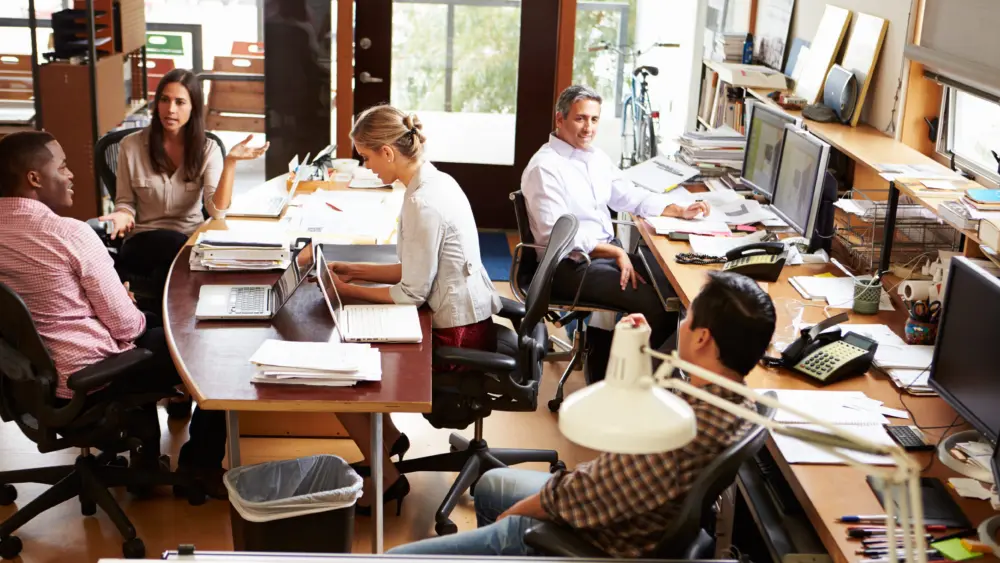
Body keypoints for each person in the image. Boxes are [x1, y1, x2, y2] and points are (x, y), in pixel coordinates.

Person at [388, 271, 777, 557]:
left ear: (704, 338)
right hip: (625, 512)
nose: (684, 325)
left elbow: (583, 495)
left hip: (599, 538)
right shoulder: (733, 400)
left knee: (396, 559)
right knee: (491, 484)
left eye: (688, 319)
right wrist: (634, 350)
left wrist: (514, 519)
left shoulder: (678, 430)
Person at [0, 131, 228, 497]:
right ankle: (199, 466)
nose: (71, 174)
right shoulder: (68, 233)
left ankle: (144, 455)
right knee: (213, 345)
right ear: (34, 178)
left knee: (157, 325)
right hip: (88, 376)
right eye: (62, 166)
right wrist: (125, 302)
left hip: (25, 376)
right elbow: (127, 326)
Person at [323, 104, 502, 516]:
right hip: (464, 317)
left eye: (366, 157)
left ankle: (388, 481)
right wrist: (357, 270)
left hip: (458, 335)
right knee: (355, 353)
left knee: (343, 378)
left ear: (388, 152)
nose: (365, 167)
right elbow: (417, 267)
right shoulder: (431, 182)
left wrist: (349, 291)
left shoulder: (423, 202)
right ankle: (387, 442)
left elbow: (411, 292)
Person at [521, 84, 711, 383]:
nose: (589, 128)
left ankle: (609, 362)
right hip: (566, 266)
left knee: (670, 288)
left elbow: (628, 195)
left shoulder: (593, 157)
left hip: (602, 255)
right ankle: (624, 385)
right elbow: (552, 235)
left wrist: (675, 208)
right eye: (581, 119)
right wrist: (614, 251)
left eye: (594, 120)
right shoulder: (545, 168)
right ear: (560, 119)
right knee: (659, 306)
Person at [99, 68, 269, 305]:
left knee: (173, 270)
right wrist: (121, 215)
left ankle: (160, 324)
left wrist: (230, 163)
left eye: (180, 102)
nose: (170, 109)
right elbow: (125, 202)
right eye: (164, 100)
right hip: (144, 243)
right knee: (183, 257)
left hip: (188, 241)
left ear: (194, 108)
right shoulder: (131, 146)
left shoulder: (207, 149)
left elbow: (216, 211)